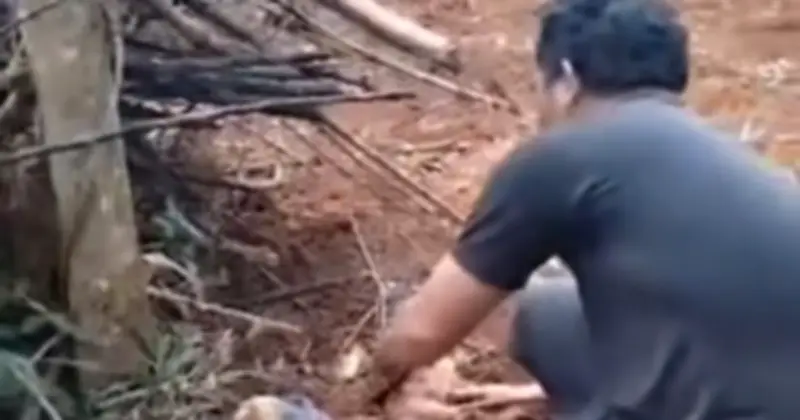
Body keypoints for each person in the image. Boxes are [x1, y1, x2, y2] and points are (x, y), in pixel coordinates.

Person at [343, 0, 800, 418]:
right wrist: (553, 394)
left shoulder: (564, 154)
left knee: (536, 303)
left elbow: (421, 334)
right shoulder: (738, 158)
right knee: (562, 301)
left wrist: (368, 396)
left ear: (565, 79)